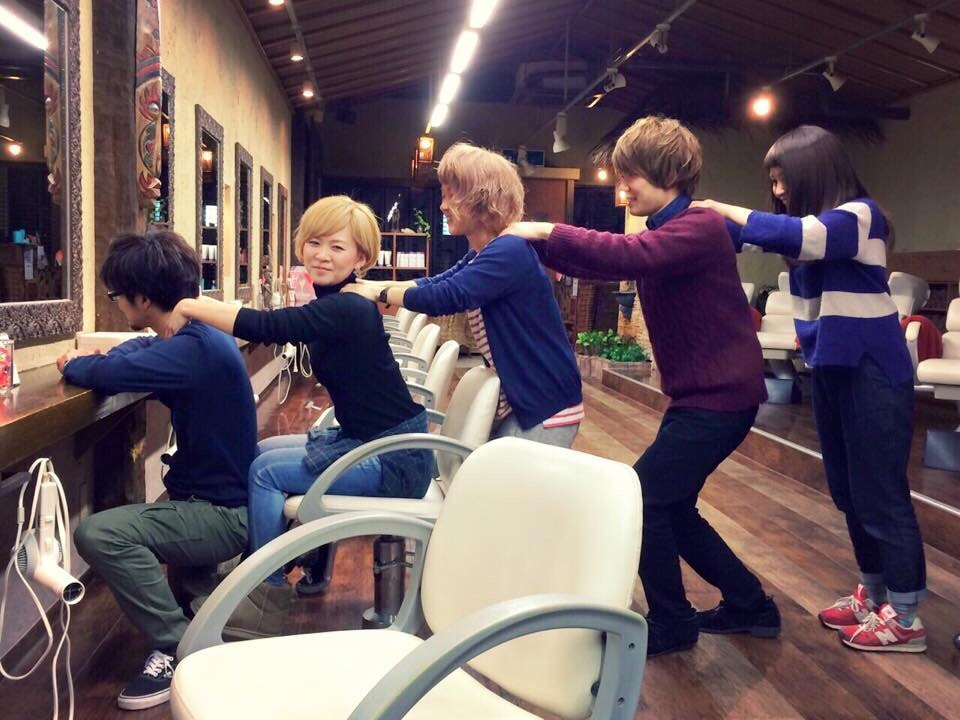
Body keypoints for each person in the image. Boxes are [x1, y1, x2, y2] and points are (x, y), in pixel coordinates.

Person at [504, 116, 778, 658]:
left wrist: (543, 233)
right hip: (703, 396)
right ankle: (751, 604)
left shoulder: (697, 227)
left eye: (632, 176)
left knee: (644, 498)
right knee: (672, 506)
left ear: (670, 175)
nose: (622, 186)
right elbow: (616, 261)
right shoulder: (667, 230)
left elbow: (629, 255)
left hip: (721, 398)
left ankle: (674, 622)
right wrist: (539, 249)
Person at [695, 125, 927, 653]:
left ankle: (906, 616)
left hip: (873, 370)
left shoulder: (860, 216)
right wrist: (685, 214)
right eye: (773, 182)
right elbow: (744, 235)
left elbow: (803, 235)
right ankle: (874, 594)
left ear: (814, 173)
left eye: (783, 180)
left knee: (881, 493)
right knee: (847, 491)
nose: (777, 190)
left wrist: (721, 206)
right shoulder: (804, 229)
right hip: (830, 369)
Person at [169, 195, 432, 638]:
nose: (322, 255)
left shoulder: (347, 307)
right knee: (264, 451)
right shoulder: (341, 299)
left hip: (394, 458)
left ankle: (266, 596)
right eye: (314, 243)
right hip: (375, 441)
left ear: (361, 258)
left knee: (266, 472)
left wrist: (189, 305)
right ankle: (277, 558)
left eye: (337, 247)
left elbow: (267, 327)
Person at [61, 230, 258, 710]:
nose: (116, 304)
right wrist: (106, 357)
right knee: (136, 529)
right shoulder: (198, 335)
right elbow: (136, 350)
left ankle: (178, 647)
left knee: (98, 534)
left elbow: (108, 373)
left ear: (143, 299)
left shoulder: (194, 349)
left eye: (116, 296)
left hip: (222, 515)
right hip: (216, 498)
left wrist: (73, 363)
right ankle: (191, 613)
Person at [343, 143, 583, 447]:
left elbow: (448, 296)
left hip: (546, 405)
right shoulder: (481, 253)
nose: (443, 206)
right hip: (525, 398)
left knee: (502, 480)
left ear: (483, 198)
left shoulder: (509, 251)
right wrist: (367, 286)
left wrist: (378, 292)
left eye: (450, 195)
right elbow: (433, 283)